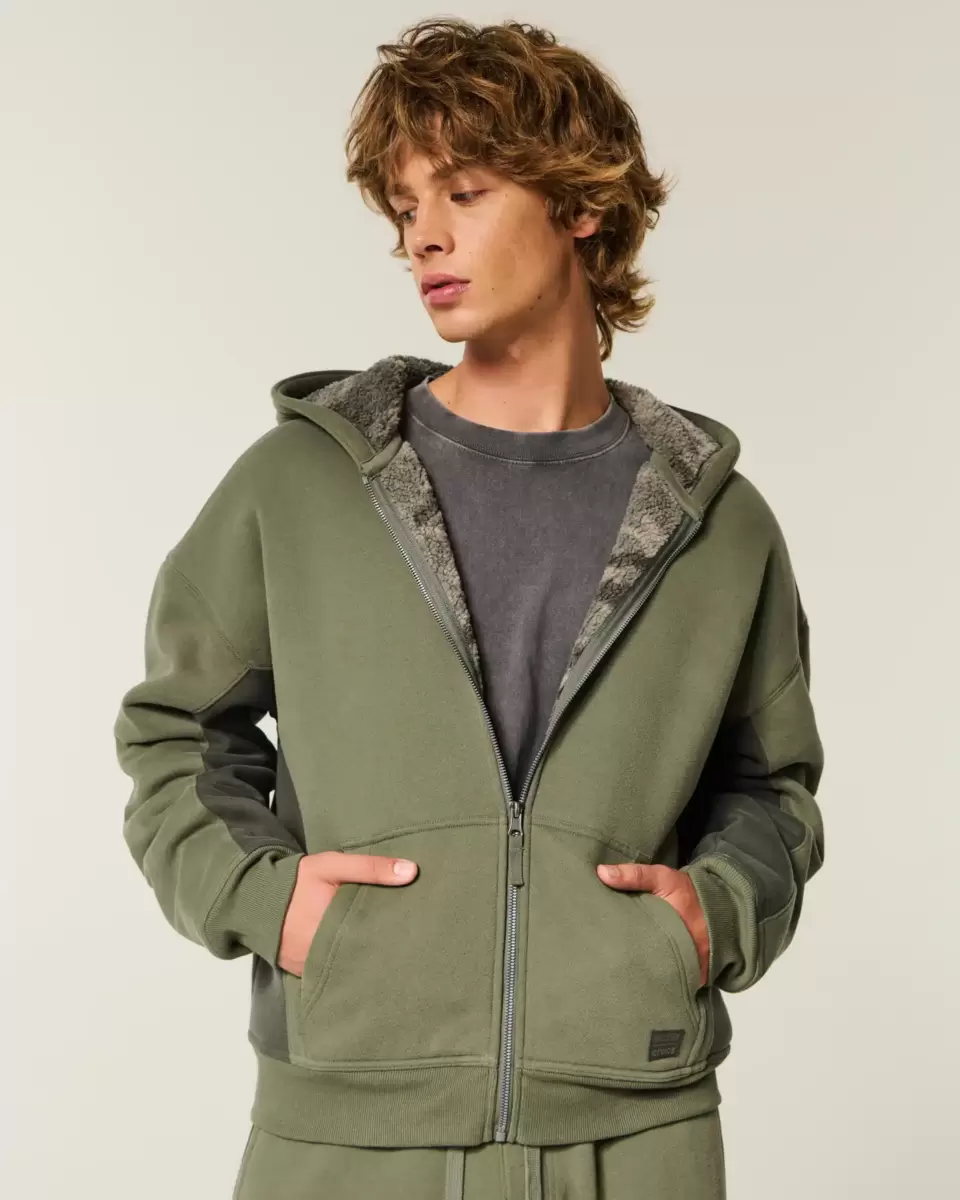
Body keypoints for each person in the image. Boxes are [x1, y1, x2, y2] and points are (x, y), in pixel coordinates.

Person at [114, 17, 825, 1200]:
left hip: (635, 1130)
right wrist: (273, 904)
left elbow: (771, 789)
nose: (422, 237)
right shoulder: (301, 487)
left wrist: (713, 915)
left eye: (465, 191)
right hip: (346, 1125)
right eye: (405, 207)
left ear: (580, 204)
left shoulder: (717, 524)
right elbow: (176, 733)